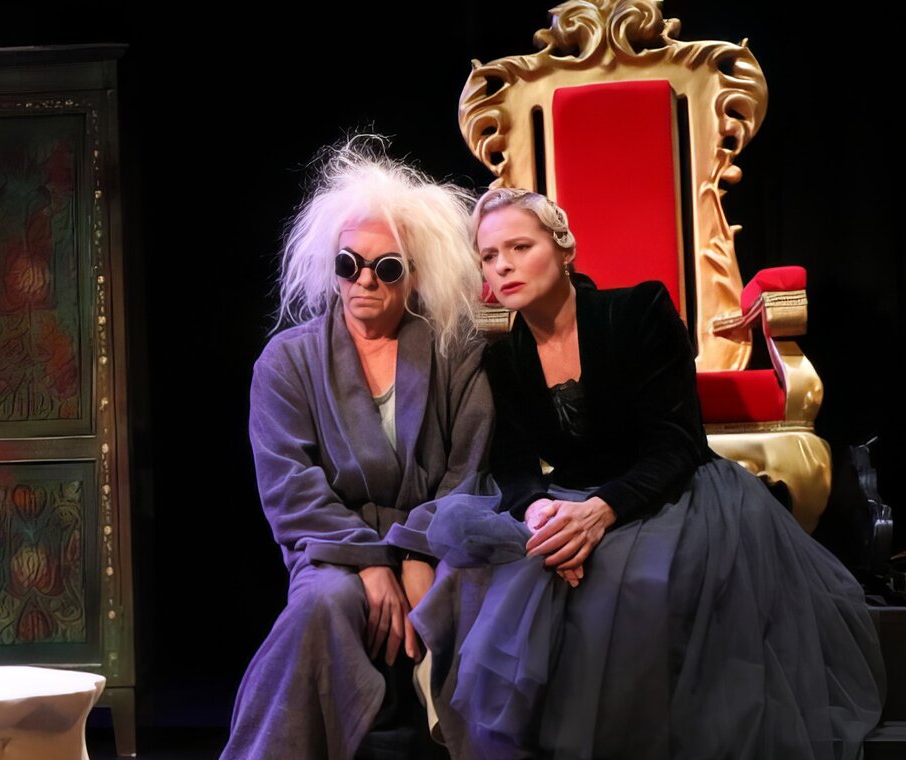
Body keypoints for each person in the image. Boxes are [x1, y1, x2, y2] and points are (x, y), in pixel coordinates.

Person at [403, 187, 884, 759]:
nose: (502, 265)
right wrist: (538, 510)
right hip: (569, 498)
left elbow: (677, 442)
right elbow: (512, 462)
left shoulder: (638, 311)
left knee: (629, 588)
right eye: (488, 255)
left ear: (564, 249)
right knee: (501, 578)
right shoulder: (502, 356)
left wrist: (600, 512)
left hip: (669, 492)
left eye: (519, 247)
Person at [222, 139, 492, 760]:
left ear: (415, 274)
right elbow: (290, 487)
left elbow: (469, 469)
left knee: (478, 600)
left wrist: (418, 550)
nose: (365, 280)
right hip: (334, 552)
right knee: (321, 606)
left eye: (386, 267)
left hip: (442, 542)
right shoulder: (287, 362)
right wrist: (370, 561)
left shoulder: (455, 354)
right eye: (349, 264)